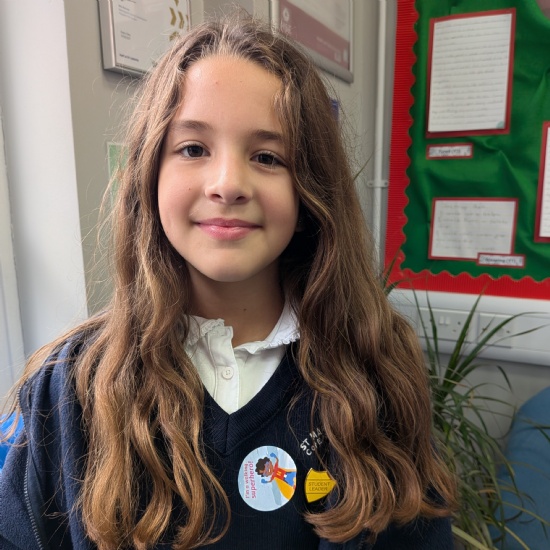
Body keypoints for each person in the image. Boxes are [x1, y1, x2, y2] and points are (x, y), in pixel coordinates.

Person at [0, 14, 456, 550]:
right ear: (149, 174)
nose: (227, 184)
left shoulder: (376, 369)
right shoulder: (68, 388)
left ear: (310, 190)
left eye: (267, 157)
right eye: (193, 149)